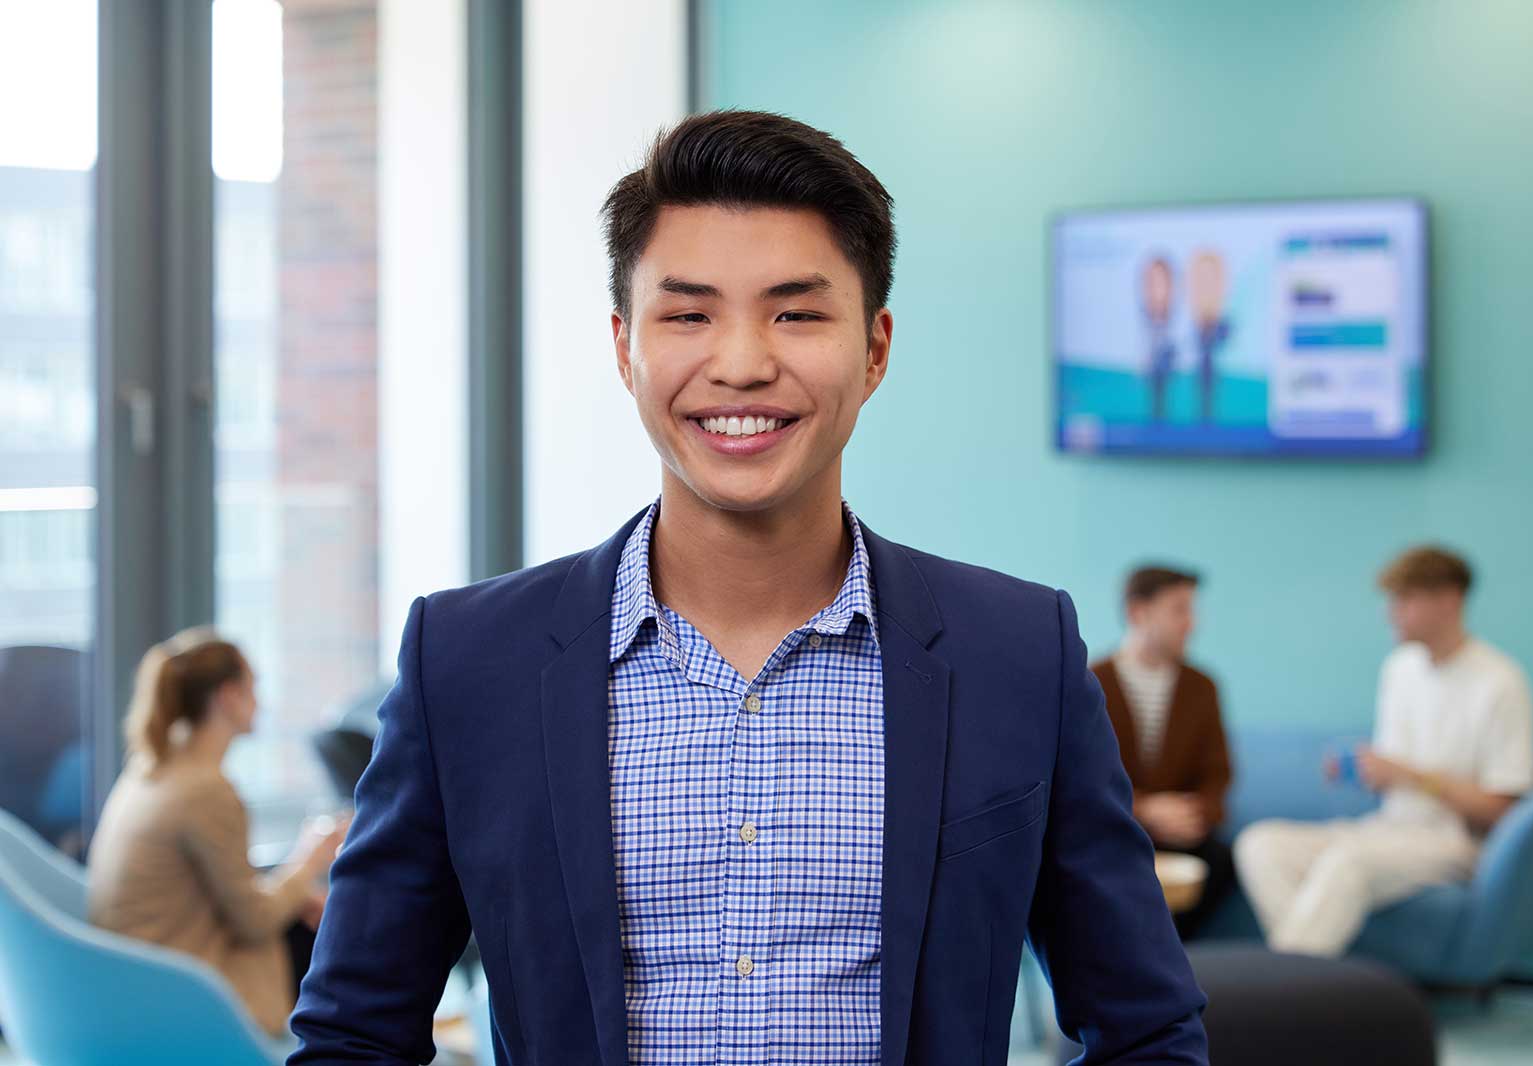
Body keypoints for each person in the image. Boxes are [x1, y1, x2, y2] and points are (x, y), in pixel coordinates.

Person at [290, 111, 1205, 1065]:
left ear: (876, 348)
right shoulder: (468, 660)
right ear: (623, 347)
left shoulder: (1018, 651)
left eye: (797, 312)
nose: (740, 364)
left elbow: (1148, 1029)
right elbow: (353, 1036)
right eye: (688, 314)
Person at [1235, 546, 1533, 957]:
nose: (1390, 613)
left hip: (1454, 843)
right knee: (1260, 843)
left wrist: (1411, 777)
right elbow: (1393, 775)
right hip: (1388, 828)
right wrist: (1366, 771)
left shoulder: (1501, 682)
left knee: (1349, 864)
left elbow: (1503, 809)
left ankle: (1284, 991)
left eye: (1405, 599)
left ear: (1449, 600)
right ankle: (1312, 988)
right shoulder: (1399, 669)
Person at [87, 629, 348, 1036]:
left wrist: (294, 896)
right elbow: (256, 922)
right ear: (228, 696)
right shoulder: (206, 790)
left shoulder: (152, 767)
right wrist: (311, 855)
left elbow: (222, 886)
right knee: (341, 937)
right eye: (253, 687)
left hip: (137, 973)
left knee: (314, 918)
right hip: (183, 990)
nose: (260, 703)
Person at [1092, 566, 1234, 939]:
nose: (1191, 623)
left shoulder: (1202, 687)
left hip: (1181, 832)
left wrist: (1193, 813)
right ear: (1139, 612)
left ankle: (1167, 957)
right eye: (1180, 609)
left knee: (1220, 861)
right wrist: (1145, 810)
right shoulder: (1091, 683)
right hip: (1115, 825)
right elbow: (1081, 777)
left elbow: (1218, 774)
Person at [1187, 249, 1230, 423]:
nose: (1205, 289)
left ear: (1221, 286)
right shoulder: (1181, 337)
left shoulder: (1229, 333)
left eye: (1211, 280)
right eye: (1200, 281)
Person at [1140, 254, 1178, 422]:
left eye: (1162, 283)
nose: (1156, 290)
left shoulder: (1179, 327)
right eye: (1152, 283)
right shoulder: (1138, 329)